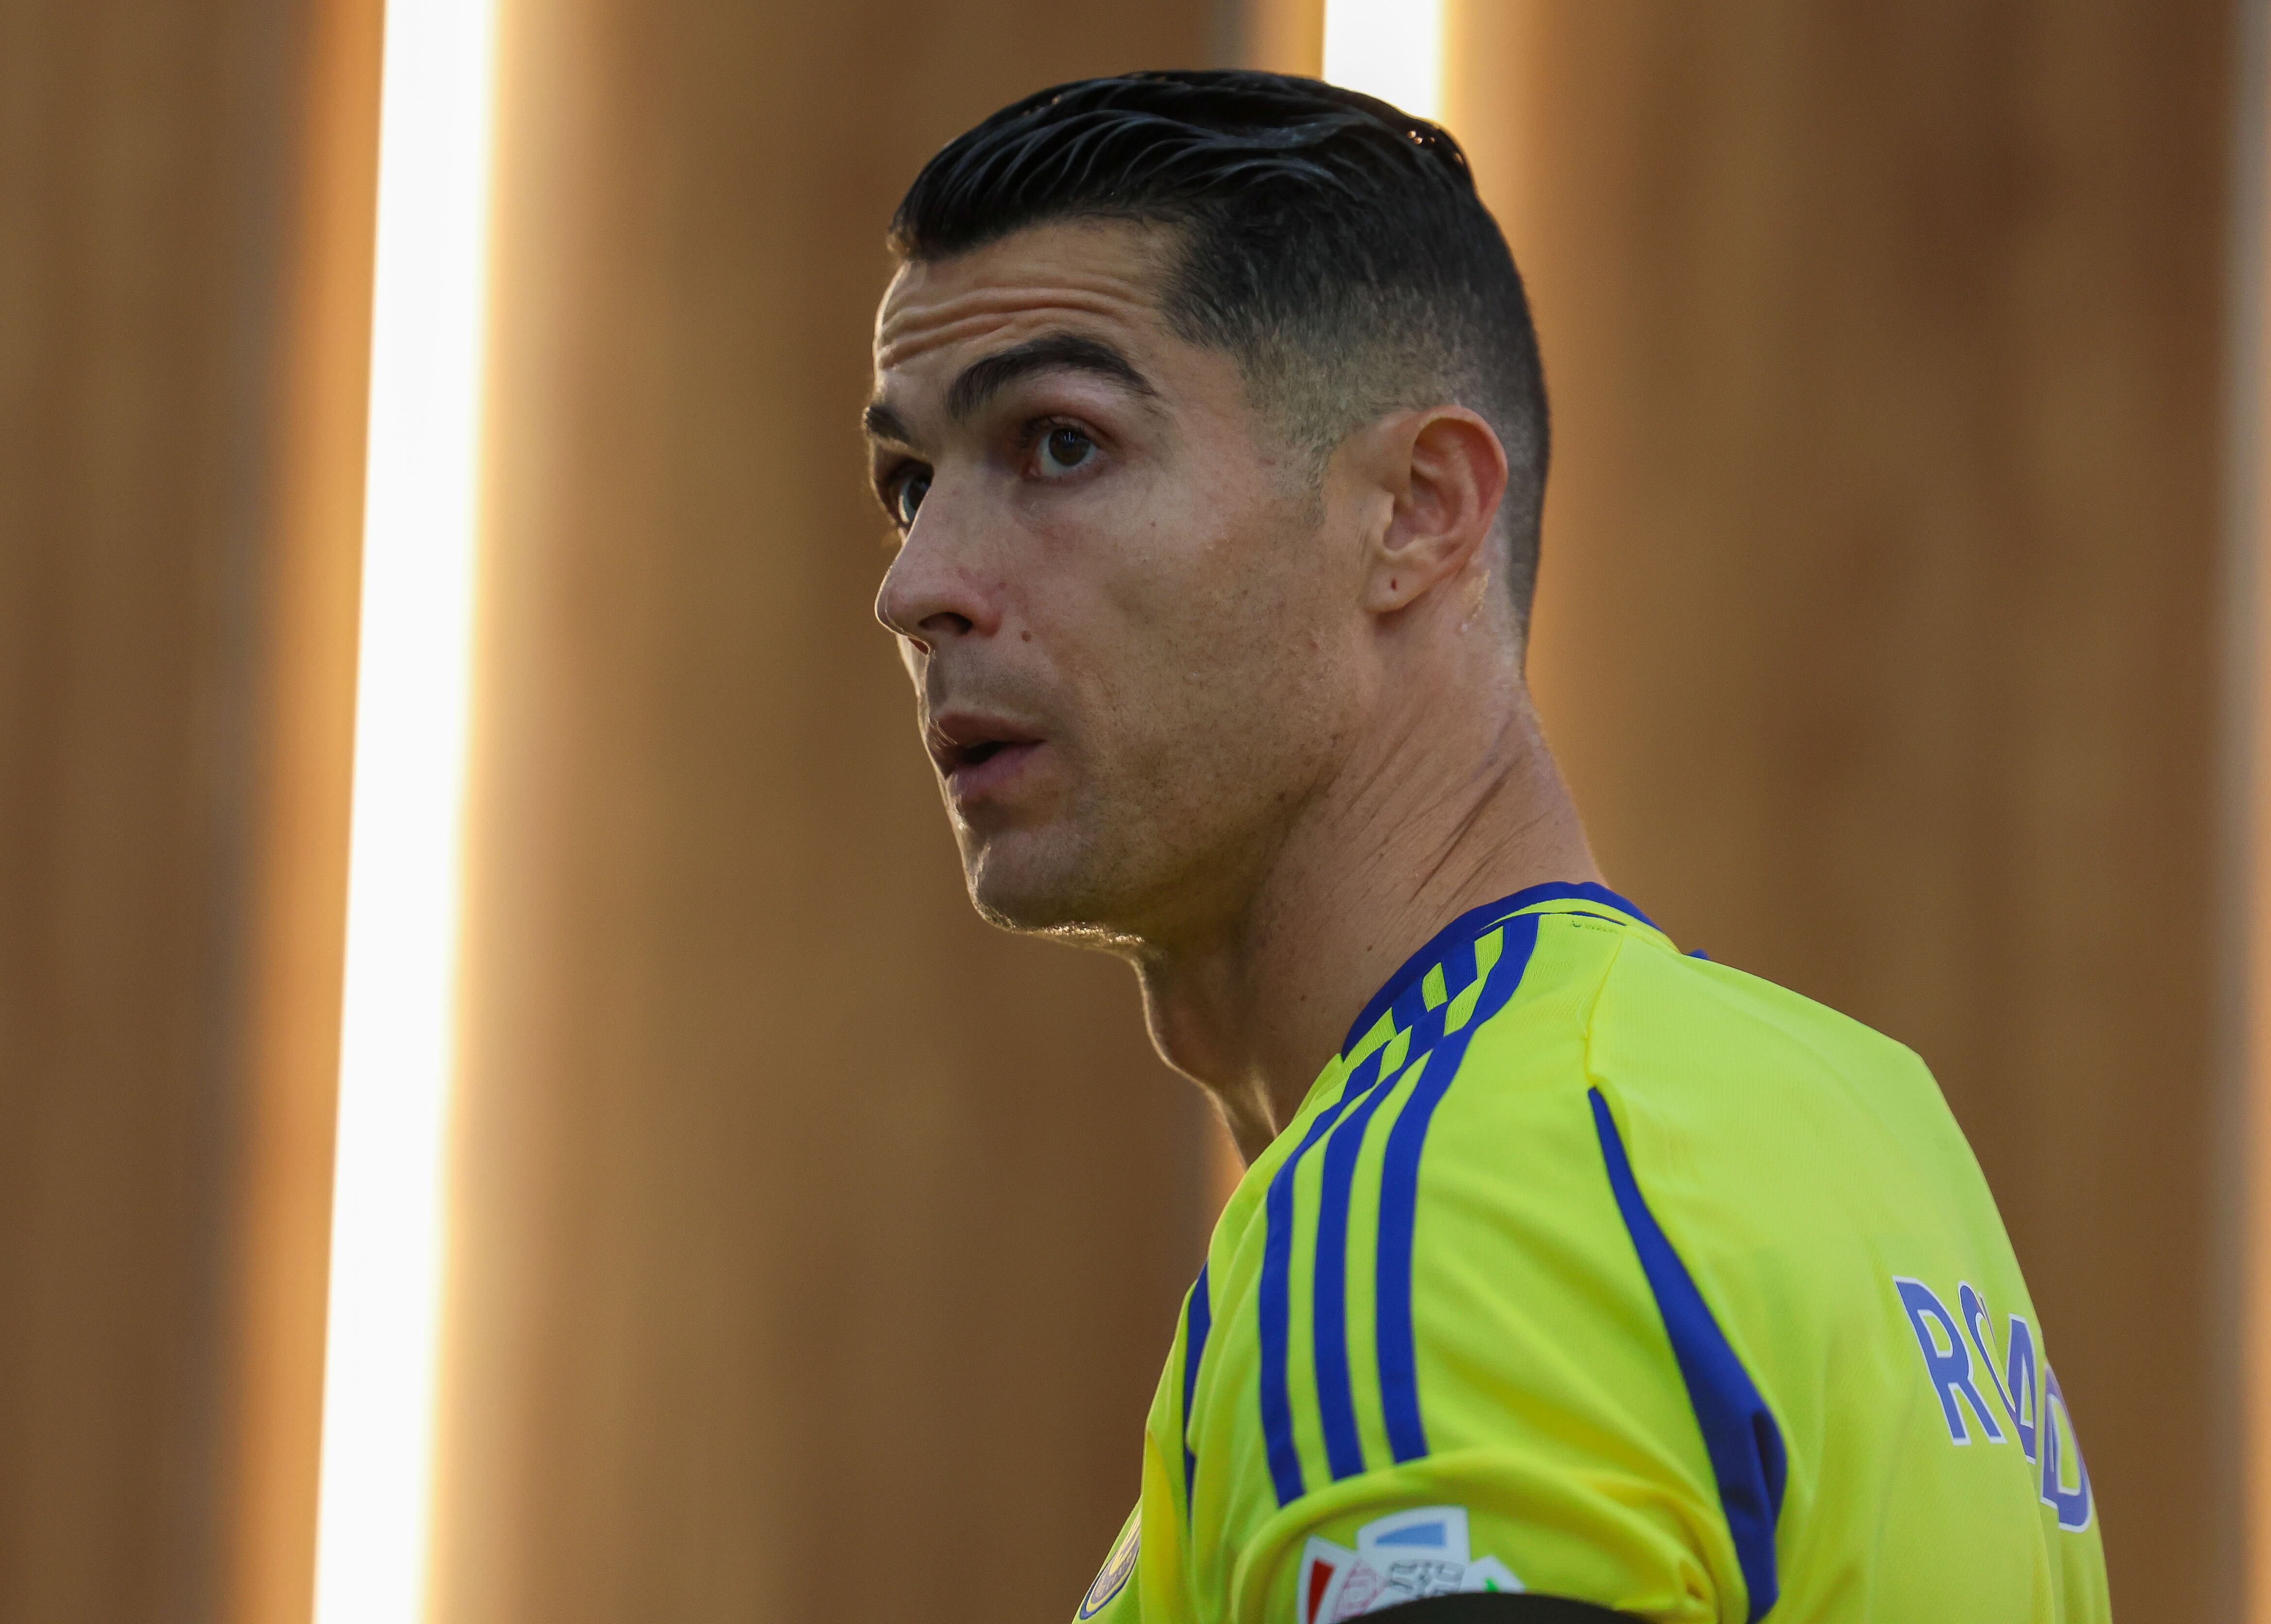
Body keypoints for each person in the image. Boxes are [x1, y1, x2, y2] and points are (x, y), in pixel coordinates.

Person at [859, 69, 2107, 1624]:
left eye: (1058, 445)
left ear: (1417, 513)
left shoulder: (1427, 1214)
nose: (920, 587)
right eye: (909, 484)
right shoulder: (1856, 1115)